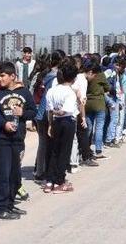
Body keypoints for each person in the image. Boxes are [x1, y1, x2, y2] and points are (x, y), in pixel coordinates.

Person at [0, 61, 36, 220]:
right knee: (2, 174)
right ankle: (0, 207)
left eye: (2, 75)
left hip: (18, 139)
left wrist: (23, 112)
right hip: (1, 140)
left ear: (12, 76)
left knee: (14, 175)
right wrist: (4, 124)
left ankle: (9, 204)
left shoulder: (24, 92)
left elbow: (33, 112)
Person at [43, 62, 80, 195]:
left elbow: (49, 110)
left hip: (56, 122)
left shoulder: (52, 90)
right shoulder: (70, 92)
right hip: (67, 121)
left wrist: (51, 123)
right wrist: (58, 112)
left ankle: (49, 181)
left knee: (54, 151)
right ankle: (59, 181)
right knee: (64, 152)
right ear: (74, 78)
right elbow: (66, 110)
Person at [83, 62, 109, 159]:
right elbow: (107, 87)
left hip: (87, 104)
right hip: (99, 104)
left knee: (88, 128)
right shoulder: (101, 75)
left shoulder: (84, 76)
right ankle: (98, 150)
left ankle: (85, 149)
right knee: (99, 128)